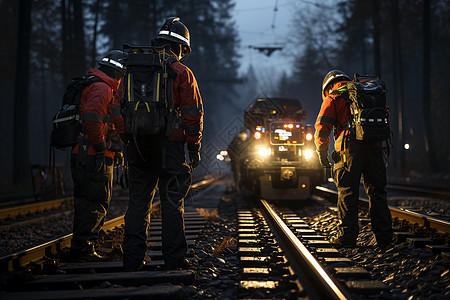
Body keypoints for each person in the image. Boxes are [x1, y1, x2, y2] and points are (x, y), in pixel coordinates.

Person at [114, 17, 204, 271]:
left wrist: (128, 138)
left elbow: (116, 108)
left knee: (138, 204)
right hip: (170, 148)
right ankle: (173, 260)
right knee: (172, 203)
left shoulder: (131, 68)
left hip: (137, 147)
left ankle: (132, 260)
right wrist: (193, 148)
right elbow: (193, 115)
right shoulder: (181, 72)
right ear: (182, 47)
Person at [314, 70, 393, 250]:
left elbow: (322, 128)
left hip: (348, 151)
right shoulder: (367, 92)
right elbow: (385, 113)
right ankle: (384, 240)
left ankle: (347, 238)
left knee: (348, 193)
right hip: (374, 148)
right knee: (377, 193)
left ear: (327, 87)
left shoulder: (333, 98)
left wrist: (322, 152)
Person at [70, 50, 126, 261]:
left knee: (90, 201)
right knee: (94, 201)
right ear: (119, 72)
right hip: (92, 155)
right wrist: (103, 148)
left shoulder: (98, 85)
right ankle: (83, 249)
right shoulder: (102, 88)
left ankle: (83, 246)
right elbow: (92, 119)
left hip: (88, 153)